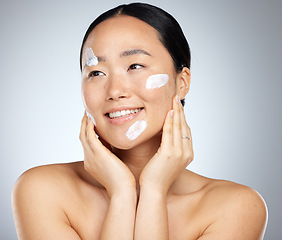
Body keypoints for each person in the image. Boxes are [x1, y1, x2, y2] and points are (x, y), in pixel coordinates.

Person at [12, 3, 267, 239]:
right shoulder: (41, 190)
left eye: (135, 66)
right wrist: (121, 193)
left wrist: (153, 191)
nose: (114, 90)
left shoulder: (235, 206)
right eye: (96, 72)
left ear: (182, 82)